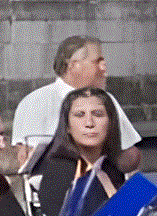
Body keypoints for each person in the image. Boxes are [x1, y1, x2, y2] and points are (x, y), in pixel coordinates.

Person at [25, 86, 140, 216]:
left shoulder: (110, 166)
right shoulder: (59, 171)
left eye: (98, 114)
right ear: (67, 126)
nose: (89, 123)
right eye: (79, 115)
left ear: (111, 123)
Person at [10, 36, 142, 153]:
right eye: (97, 62)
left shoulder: (107, 100)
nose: (104, 69)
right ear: (73, 65)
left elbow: (128, 150)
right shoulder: (35, 102)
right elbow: (26, 156)